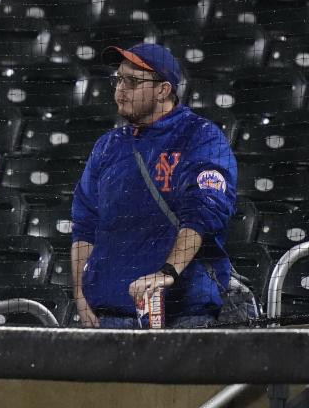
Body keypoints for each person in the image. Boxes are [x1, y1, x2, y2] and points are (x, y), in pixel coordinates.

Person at [71, 43, 237, 328]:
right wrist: (80, 295)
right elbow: (84, 224)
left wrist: (167, 271)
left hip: (182, 316)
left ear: (163, 90)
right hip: (109, 318)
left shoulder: (200, 137)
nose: (120, 89)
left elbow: (204, 212)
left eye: (133, 81)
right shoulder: (108, 146)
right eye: (118, 79)